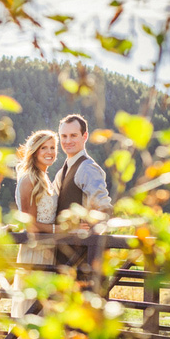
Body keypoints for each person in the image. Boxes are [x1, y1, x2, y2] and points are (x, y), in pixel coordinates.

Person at [7, 130, 60, 339]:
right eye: (44, 148)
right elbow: (30, 226)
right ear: (35, 150)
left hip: (49, 252)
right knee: (31, 311)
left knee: (47, 314)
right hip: (34, 253)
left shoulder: (46, 178)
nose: (50, 152)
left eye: (53, 147)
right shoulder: (28, 178)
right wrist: (60, 230)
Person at [53, 114, 112, 266]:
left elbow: (104, 209)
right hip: (63, 256)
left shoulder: (88, 168)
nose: (67, 141)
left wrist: (88, 237)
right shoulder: (63, 170)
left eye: (73, 135)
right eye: (64, 136)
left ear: (84, 136)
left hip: (81, 261)